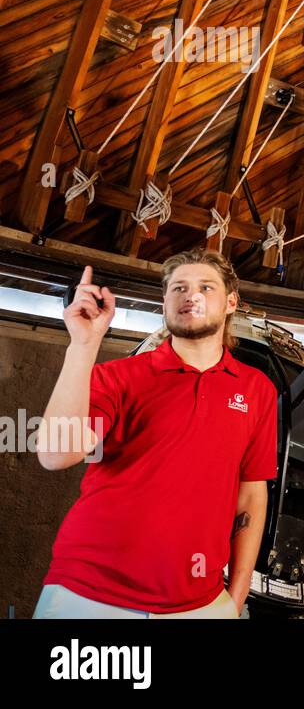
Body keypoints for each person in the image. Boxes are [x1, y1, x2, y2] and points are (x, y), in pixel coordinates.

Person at [33, 250, 279, 619]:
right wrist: (83, 345)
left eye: (205, 287)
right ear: (164, 302)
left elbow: (251, 495)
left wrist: (236, 598)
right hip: (88, 595)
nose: (190, 295)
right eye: (178, 287)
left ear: (231, 302)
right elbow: (55, 455)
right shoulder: (116, 377)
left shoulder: (257, 390)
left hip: (202, 604)